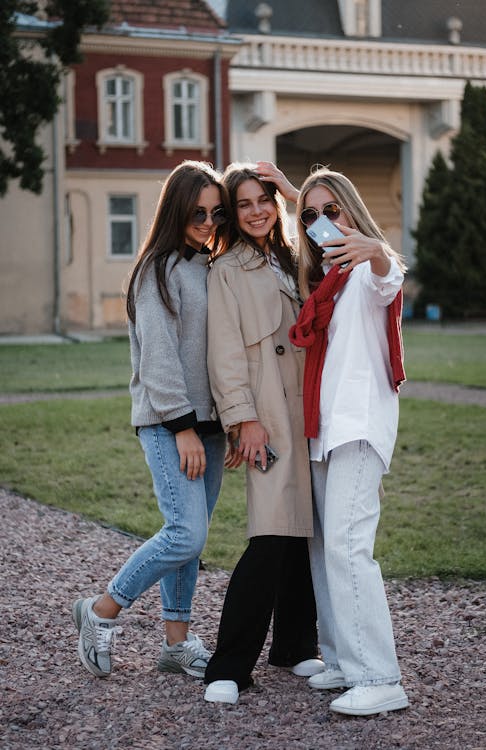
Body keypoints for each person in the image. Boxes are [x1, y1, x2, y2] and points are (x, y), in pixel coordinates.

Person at [72, 160, 232, 680]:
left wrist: (226, 423)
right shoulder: (156, 270)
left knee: (193, 538)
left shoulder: (209, 267)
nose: (207, 221)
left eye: (215, 213)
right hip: (170, 424)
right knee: (185, 534)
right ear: (175, 210)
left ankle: (176, 643)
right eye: (197, 212)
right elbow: (161, 359)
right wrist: (183, 427)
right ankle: (101, 610)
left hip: (208, 425)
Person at [289, 167, 409, 716]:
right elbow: (317, 219)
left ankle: (380, 677)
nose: (320, 223)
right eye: (310, 217)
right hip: (325, 427)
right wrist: (297, 198)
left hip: (358, 426)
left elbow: (389, 275)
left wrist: (374, 248)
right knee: (324, 547)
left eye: (332, 211)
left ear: (355, 214)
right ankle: (341, 659)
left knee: (347, 545)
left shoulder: (365, 271)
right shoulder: (327, 281)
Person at [203, 162, 324, 705]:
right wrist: (242, 419)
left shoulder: (294, 257)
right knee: (272, 532)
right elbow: (225, 351)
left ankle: (296, 646)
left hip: (313, 412)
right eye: (245, 203)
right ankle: (228, 666)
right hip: (266, 416)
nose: (257, 211)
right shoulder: (225, 269)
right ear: (234, 211)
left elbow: (349, 243)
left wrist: (300, 196)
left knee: (304, 529)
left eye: (265, 200)